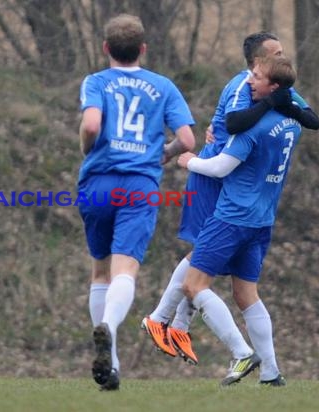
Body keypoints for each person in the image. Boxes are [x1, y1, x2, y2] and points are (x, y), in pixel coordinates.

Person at [141, 32, 319, 366]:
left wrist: (287, 103)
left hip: (233, 178)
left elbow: (311, 120)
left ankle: (178, 324)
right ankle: (161, 319)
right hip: (212, 175)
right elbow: (234, 122)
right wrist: (270, 105)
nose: (283, 57)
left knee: (208, 262)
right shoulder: (244, 85)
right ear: (257, 63)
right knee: (202, 254)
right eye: (276, 53)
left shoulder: (279, 85)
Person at [78, 14, 196, 391]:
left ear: (105, 48)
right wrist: (162, 154)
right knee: (124, 271)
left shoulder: (96, 81)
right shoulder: (163, 86)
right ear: (143, 48)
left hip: (98, 183)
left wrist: (87, 151)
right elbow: (188, 141)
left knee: (100, 271)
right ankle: (109, 328)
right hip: (139, 186)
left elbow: (92, 125)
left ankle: (110, 366)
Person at [176, 55, 302, 386]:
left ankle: (241, 353)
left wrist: (188, 161)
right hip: (262, 220)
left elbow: (220, 167)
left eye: (256, 78)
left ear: (273, 86)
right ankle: (272, 373)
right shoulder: (290, 122)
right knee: (246, 295)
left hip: (232, 217)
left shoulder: (251, 126)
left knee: (193, 286)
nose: (248, 82)